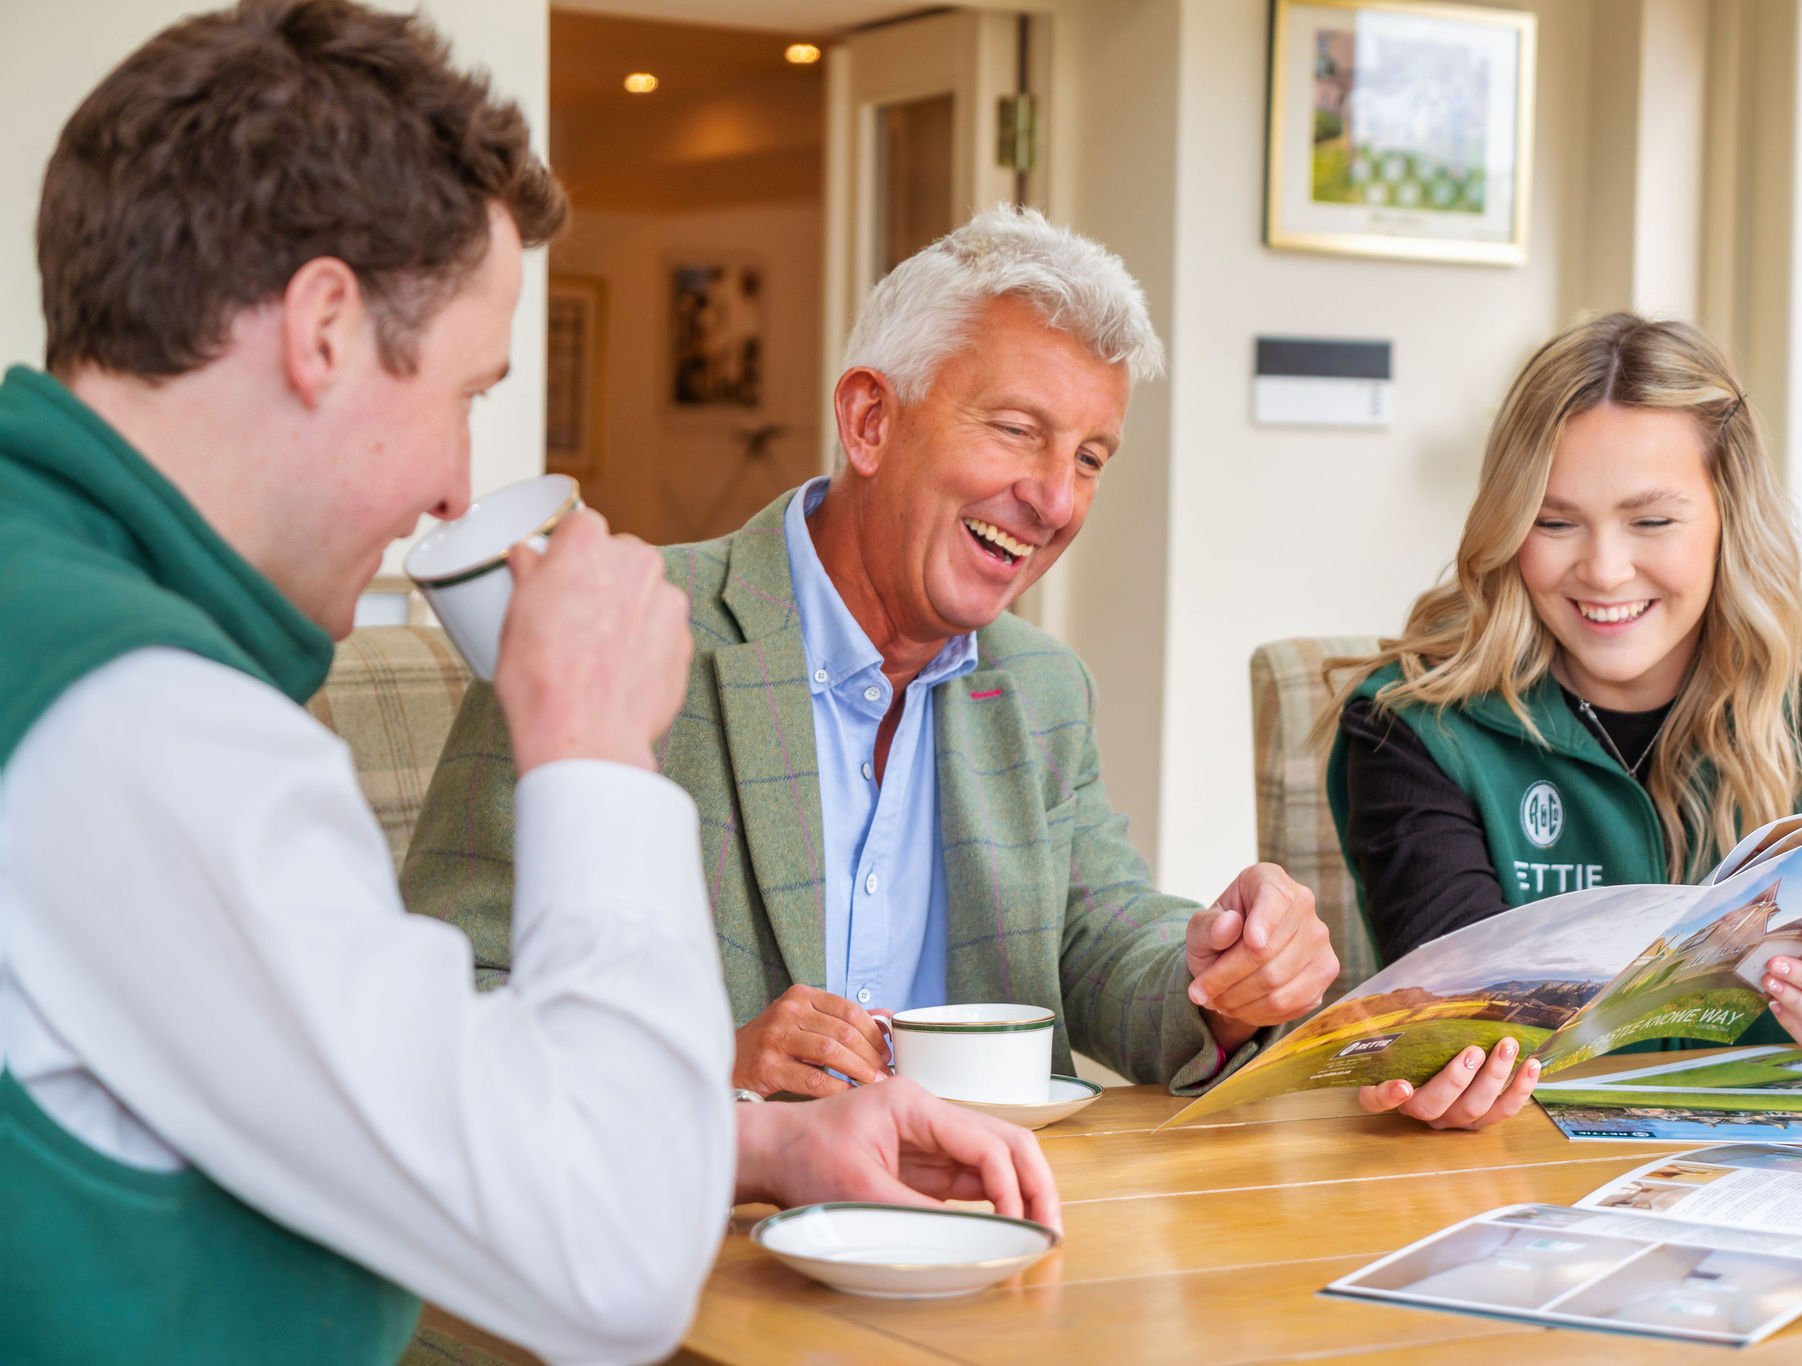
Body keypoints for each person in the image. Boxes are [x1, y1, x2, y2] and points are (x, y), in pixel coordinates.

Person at [0, 5, 1054, 1363]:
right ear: (324, 325)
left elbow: (356, 1088)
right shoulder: (143, 724)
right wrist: (597, 750)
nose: (453, 480)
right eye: (463, 391)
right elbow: (608, 1265)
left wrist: (770, 1140)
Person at [406, 207, 1340, 1099]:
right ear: (869, 421)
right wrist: (711, 1063)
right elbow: (443, 1001)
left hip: (985, 1219)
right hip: (705, 1225)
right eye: (1017, 431)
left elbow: (1094, 939)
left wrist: (1220, 967)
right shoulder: (611, 629)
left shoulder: (1042, 685)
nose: (1057, 501)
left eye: (1091, 457)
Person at [1325, 313, 1802, 1131]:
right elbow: (1462, 1020)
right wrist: (1447, 1067)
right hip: (1522, 1176)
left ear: (1727, 516)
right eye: (1554, 522)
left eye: (1652, 522)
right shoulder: (1413, 723)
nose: (1601, 569)